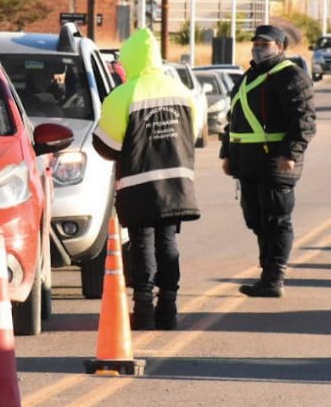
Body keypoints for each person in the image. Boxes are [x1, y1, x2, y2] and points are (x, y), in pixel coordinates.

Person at [93, 28, 201, 330]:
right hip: (177, 183)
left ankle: (143, 310)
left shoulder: (124, 94)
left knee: (142, 242)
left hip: (138, 184)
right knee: (168, 240)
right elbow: (193, 133)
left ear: (130, 60)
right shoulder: (182, 90)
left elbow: (107, 146)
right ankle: (168, 308)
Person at [220, 24, 316, 298]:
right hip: (246, 163)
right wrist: (227, 153)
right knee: (256, 219)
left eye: (265, 43)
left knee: (276, 219)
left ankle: (274, 279)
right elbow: (233, 118)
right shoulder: (248, 76)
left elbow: (305, 120)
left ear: (280, 47)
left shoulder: (291, 76)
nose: (258, 47)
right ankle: (266, 275)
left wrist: (291, 154)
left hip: (276, 162)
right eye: (256, 43)